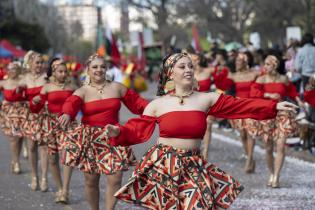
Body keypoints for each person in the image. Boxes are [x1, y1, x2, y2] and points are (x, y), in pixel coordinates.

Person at [105, 52, 297, 209]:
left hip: (193, 164)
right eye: (182, 66)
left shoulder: (206, 99)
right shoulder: (158, 104)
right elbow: (137, 129)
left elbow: (241, 106)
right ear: (171, 73)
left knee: (198, 205)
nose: (188, 69)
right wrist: (118, 132)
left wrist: (273, 107)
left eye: (190, 66)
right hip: (163, 165)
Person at [58, 54, 148, 210]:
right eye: (95, 67)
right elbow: (71, 104)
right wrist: (67, 113)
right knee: (91, 180)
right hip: (91, 139)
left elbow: (139, 104)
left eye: (102, 66)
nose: (99, 70)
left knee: (116, 178)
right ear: (88, 70)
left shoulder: (117, 87)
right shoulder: (83, 91)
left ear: (106, 69)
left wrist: (161, 107)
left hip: (113, 134)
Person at [250, 55, 303, 188]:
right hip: (266, 114)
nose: (265, 67)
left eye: (267, 64)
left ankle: (277, 177)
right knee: (268, 148)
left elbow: (292, 91)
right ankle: (272, 173)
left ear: (274, 65)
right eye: (265, 64)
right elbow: (253, 93)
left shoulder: (284, 79)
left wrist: (299, 100)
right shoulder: (261, 79)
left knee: (280, 146)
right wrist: (267, 95)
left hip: (283, 113)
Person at [30, 58, 77, 203]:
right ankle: (59, 188)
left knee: (67, 155)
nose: (63, 74)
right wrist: (35, 102)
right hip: (50, 125)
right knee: (52, 158)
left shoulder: (72, 86)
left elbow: (78, 105)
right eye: (60, 71)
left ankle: (66, 191)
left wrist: (70, 115)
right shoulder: (47, 87)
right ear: (54, 73)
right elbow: (36, 109)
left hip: (68, 124)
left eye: (65, 71)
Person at [212, 52, 260, 173]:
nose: (237, 64)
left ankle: (249, 160)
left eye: (239, 62)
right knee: (242, 134)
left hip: (250, 106)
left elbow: (263, 81)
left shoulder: (254, 74)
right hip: (238, 107)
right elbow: (221, 85)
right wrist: (219, 72)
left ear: (245, 62)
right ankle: (250, 157)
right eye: (236, 62)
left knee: (250, 133)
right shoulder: (234, 76)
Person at [19, 51, 49, 191]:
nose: (40, 65)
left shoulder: (47, 78)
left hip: (44, 116)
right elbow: (15, 89)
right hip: (30, 116)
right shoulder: (25, 78)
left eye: (42, 62)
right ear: (30, 64)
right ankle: (34, 176)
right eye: (37, 62)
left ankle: (44, 178)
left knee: (44, 147)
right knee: (31, 147)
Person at [0, 62, 28, 174]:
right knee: (14, 138)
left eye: (15, 69)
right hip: (9, 114)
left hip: (22, 112)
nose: (13, 71)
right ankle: (16, 162)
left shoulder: (23, 82)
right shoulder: (4, 83)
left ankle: (15, 160)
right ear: (7, 70)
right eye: (11, 69)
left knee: (20, 137)